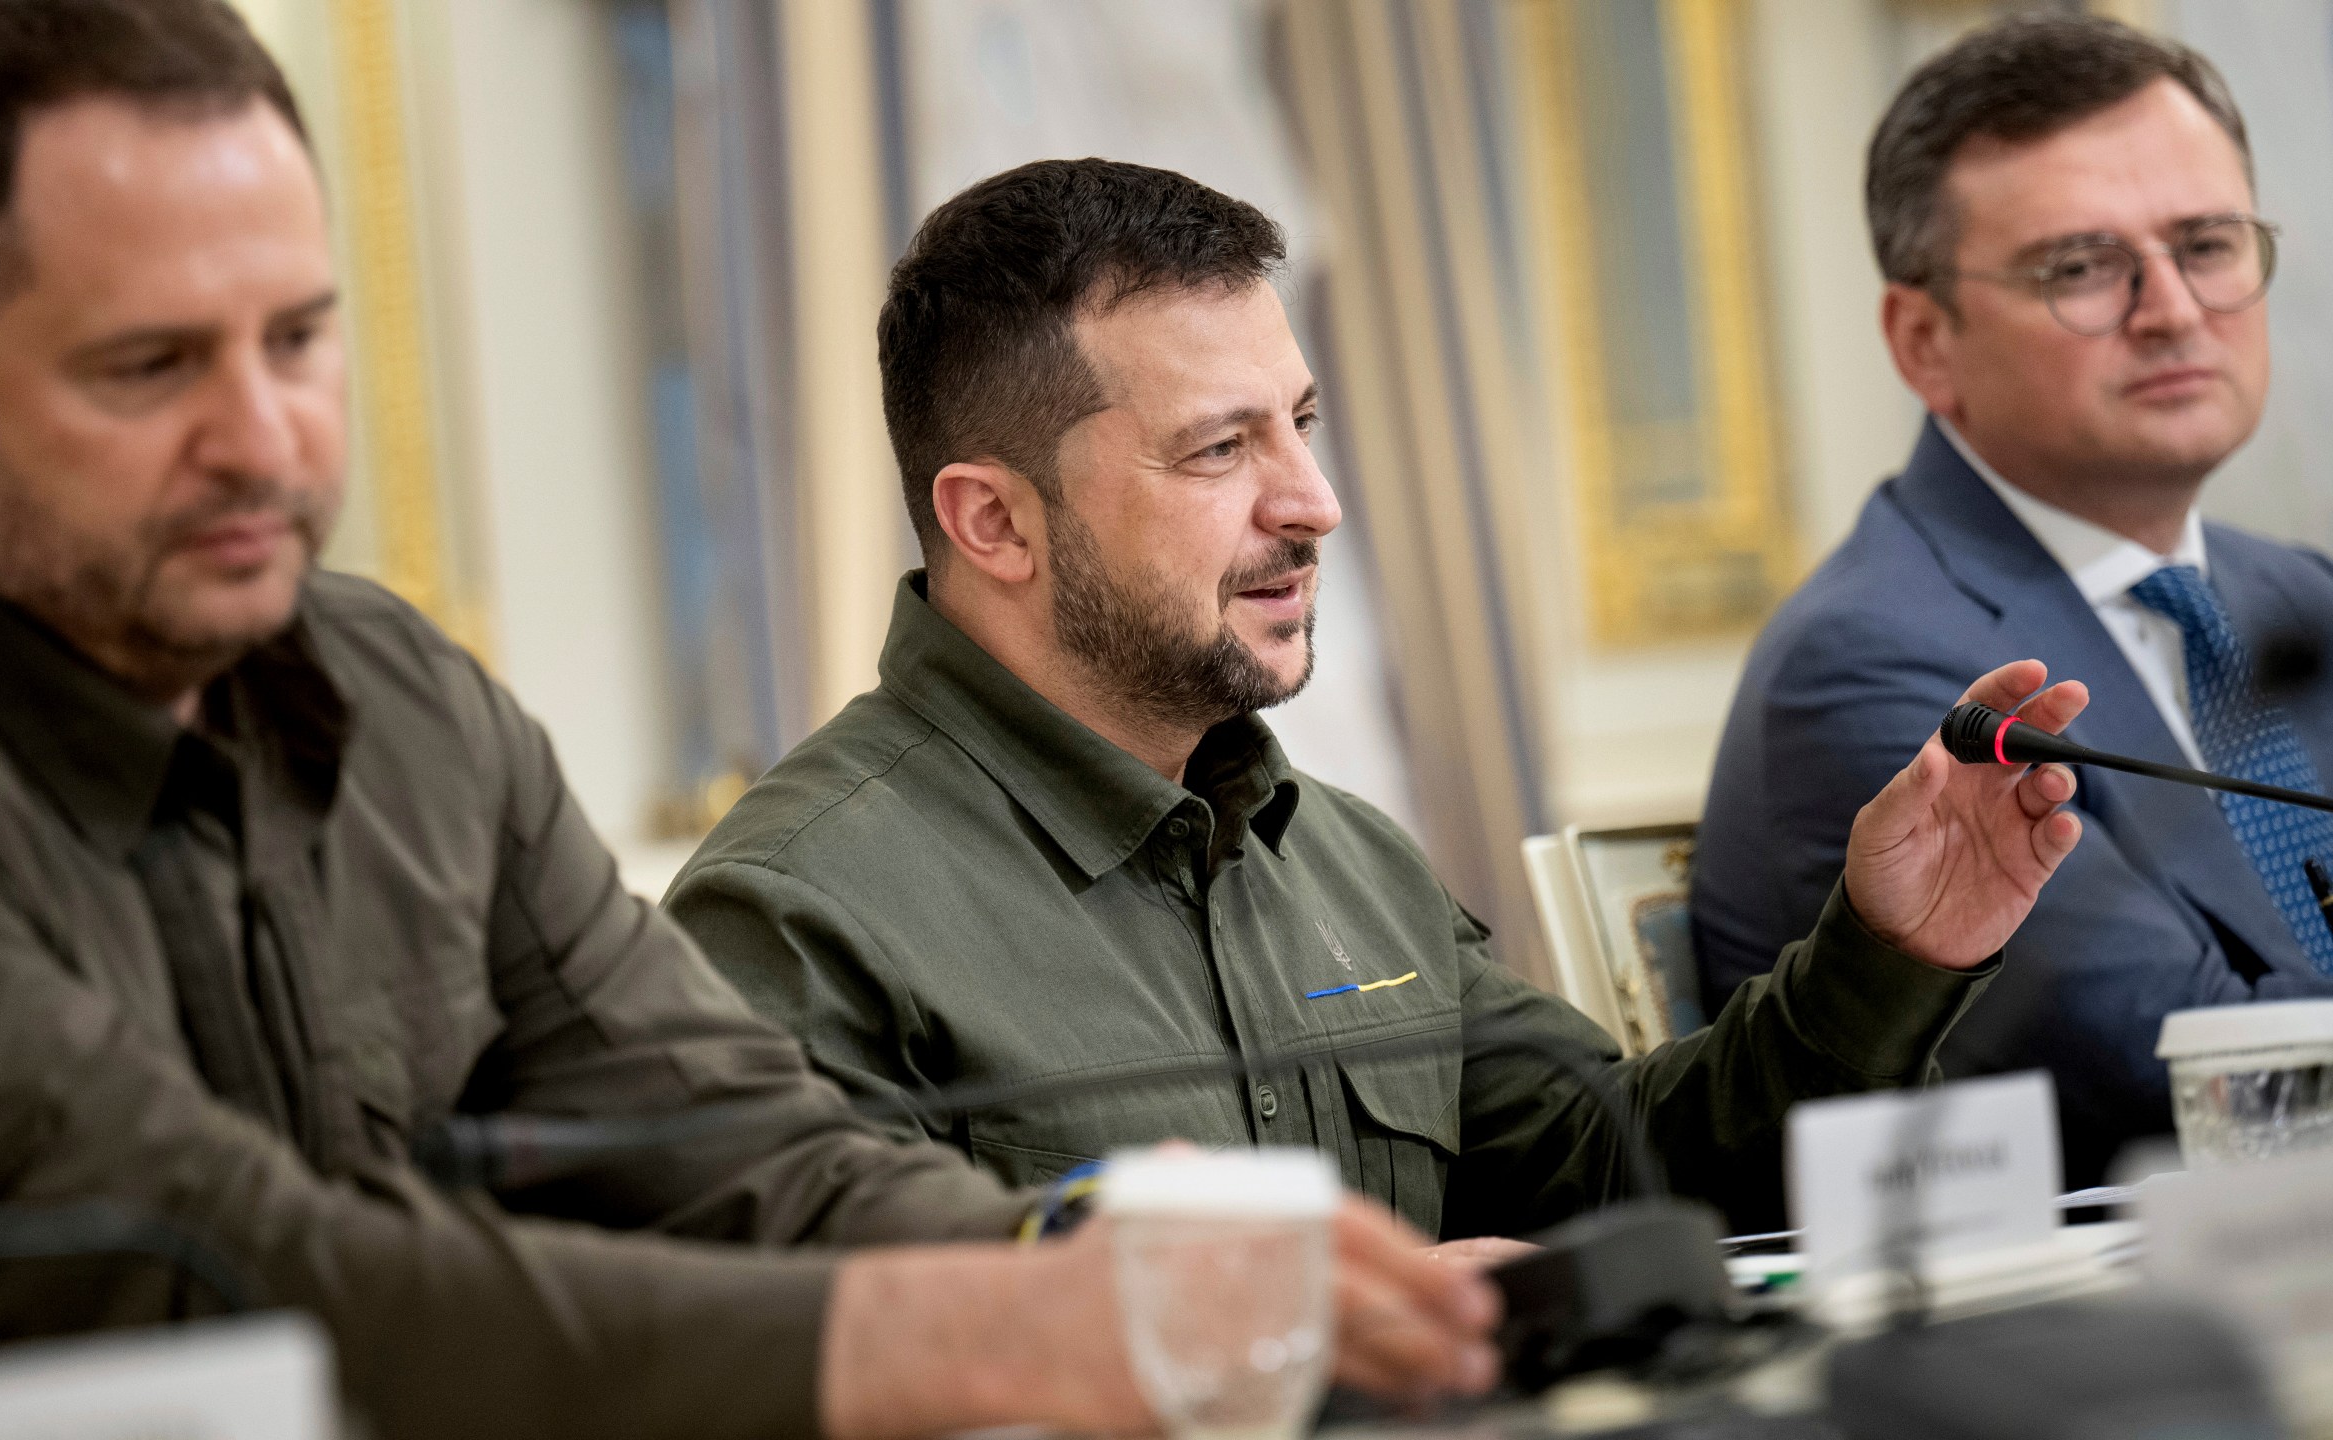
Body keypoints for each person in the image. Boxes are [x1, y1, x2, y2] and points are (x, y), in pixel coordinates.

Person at [0, 3, 1508, 1437]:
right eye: (149, 368)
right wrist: (1009, 1334)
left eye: (297, 339)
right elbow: (225, 1272)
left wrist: (1077, 1268)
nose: (263, 436)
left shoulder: (405, 700)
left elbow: (737, 1146)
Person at [665, 156, 2086, 1245]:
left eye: (1304, 424)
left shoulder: (1339, 854)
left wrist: (1893, 947)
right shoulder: (796, 917)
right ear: (992, 524)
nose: (1316, 504)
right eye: (1219, 450)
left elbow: (1628, 1172)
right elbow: (829, 1368)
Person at [1693, 14, 2333, 1186]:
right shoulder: (1879, 663)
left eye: (2207, 243)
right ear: (1925, 340)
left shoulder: (2301, 595)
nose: (2174, 309)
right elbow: (2183, 1082)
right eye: (2081, 268)